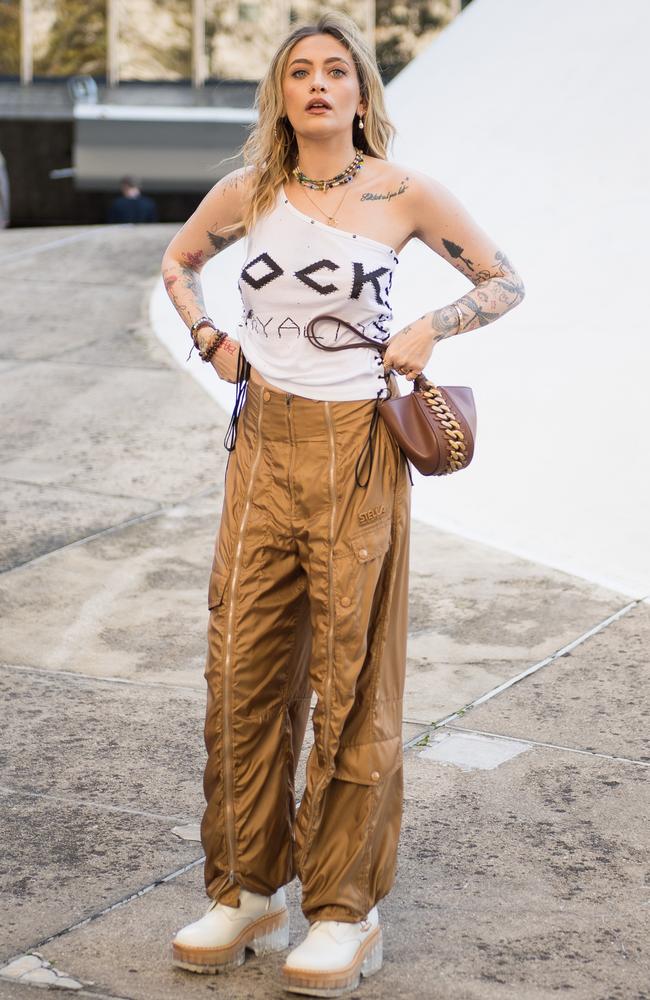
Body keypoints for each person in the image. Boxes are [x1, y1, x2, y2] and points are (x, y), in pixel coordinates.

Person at [160, 11, 525, 997]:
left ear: (362, 92)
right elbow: (177, 263)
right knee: (240, 669)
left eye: (335, 71)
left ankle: (342, 909)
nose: (316, 85)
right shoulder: (249, 191)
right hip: (261, 447)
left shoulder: (402, 195)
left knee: (350, 678)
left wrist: (431, 324)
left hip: (358, 449)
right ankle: (244, 886)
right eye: (298, 73)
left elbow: (501, 281)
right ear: (279, 95)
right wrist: (209, 340)